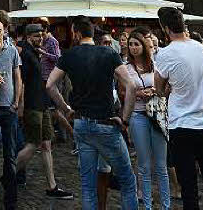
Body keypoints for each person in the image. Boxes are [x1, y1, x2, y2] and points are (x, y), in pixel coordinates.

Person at [45, 15, 135, 210]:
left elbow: (50, 85)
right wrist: (125, 120)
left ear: (76, 33)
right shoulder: (109, 53)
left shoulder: (69, 55)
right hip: (106, 123)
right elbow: (131, 85)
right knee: (127, 180)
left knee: (88, 185)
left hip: (82, 124)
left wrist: (66, 109)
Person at [153, 6, 203, 210]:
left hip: (182, 125)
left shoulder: (165, 54)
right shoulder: (202, 48)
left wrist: (170, 86)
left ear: (165, 28)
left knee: (189, 188)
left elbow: (159, 90)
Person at [14, 23, 73, 199]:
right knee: (33, 145)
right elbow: (21, 82)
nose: (39, 39)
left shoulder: (34, 52)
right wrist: (21, 106)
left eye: (41, 35)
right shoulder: (24, 53)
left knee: (47, 144)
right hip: (32, 105)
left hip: (42, 103)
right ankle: (9, 175)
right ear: (27, 37)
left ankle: (52, 186)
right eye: (35, 36)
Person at [120, 30, 169, 210]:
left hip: (156, 114)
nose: (133, 48)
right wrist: (139, 93)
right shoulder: (126, 68)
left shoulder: (155, 65)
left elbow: (164, 87)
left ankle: (165, 205)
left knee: (161, 166)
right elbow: (123, 92)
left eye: (136, 44)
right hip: (138, 115)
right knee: (144, 165)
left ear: (143, 46)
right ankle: (147, 205)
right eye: (131, 44)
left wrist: (156, 91)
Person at [0, 16, 22, 210]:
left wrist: (17, 102)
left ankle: (11, 197)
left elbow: (18, 78)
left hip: (8, 108)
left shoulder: (12, 52)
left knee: (10, 154)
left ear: (4, 32)